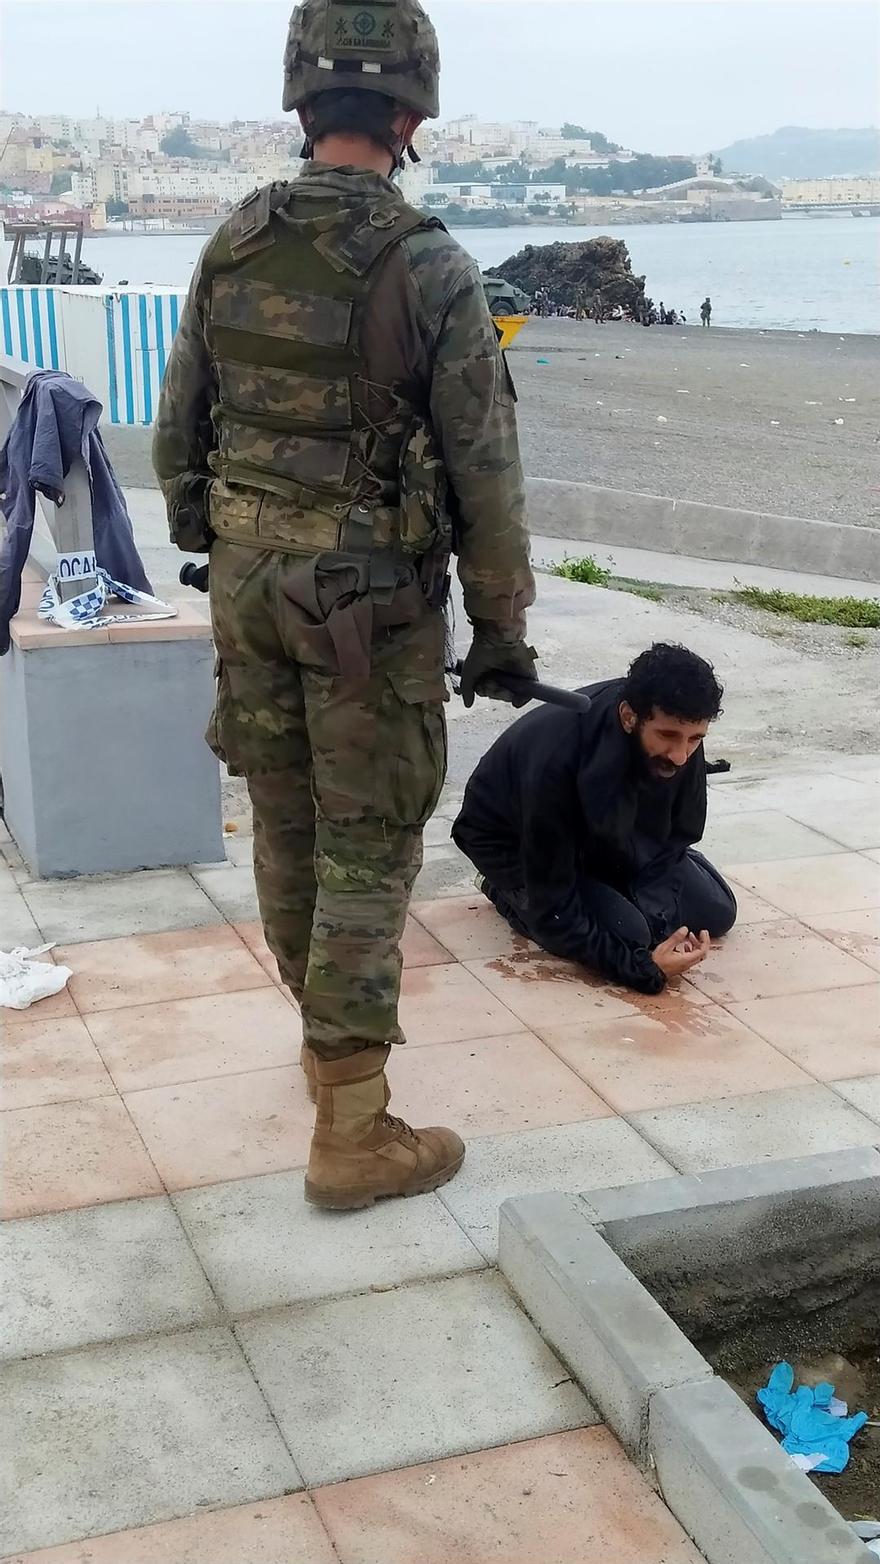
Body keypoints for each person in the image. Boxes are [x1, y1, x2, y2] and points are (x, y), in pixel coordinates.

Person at [152, 0, 536, 1212]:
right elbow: (485, 473)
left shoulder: (232, 241)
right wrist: (503, 628)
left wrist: (218, 541)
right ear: (413, 113)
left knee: (282, 819)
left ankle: (324, 1048)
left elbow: (179, 435)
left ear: (302, 105)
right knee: (369, 842)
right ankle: (354, 1130)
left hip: (250, 586)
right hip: (366, 606)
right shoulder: (428, 265)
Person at [452, 644, 737, 995]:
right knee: (629, 934)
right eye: (668, 737)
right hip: (519, 842)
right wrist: (643, 968)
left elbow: (680, 835)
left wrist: (658, 908)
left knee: (718, 911)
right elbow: (557, 905)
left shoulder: (680, 730)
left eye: (695, 739)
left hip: (599, 834)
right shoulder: (556, 761)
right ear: (629, 717)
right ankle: (506, 892)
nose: (681, 756)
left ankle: (611, 882)